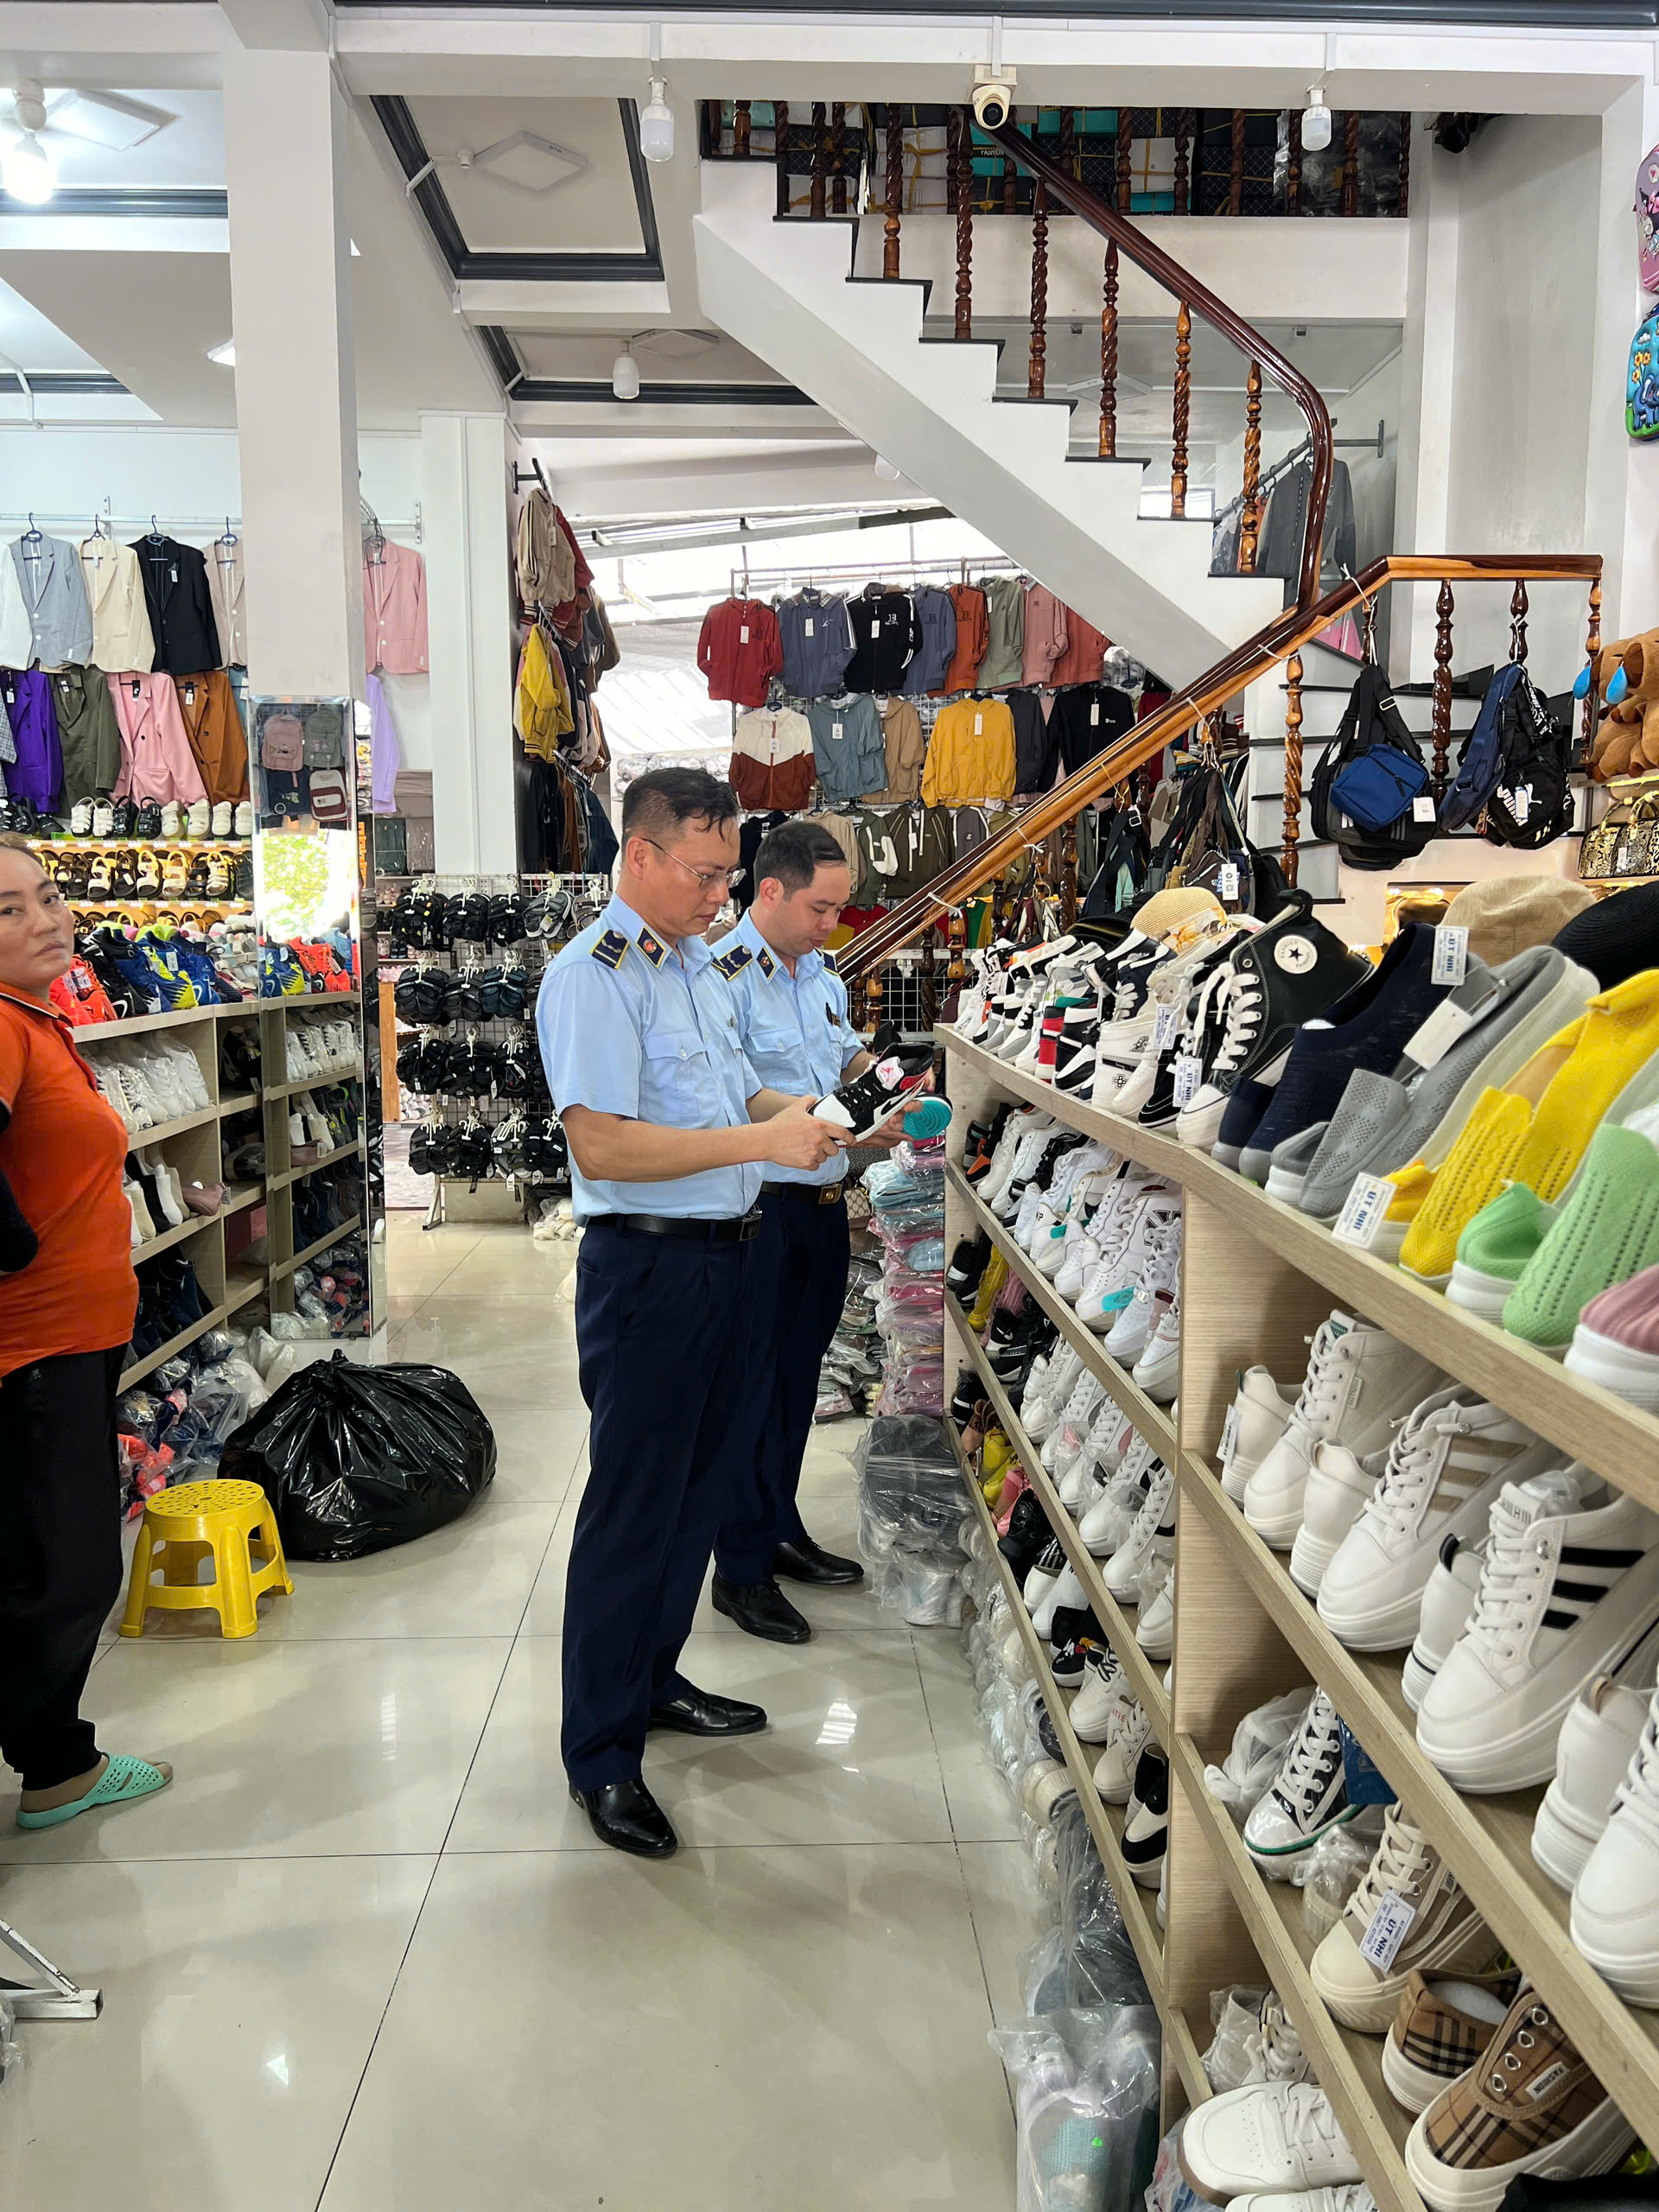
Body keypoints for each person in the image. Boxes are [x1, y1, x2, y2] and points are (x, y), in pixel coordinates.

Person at [536, 768, 847, 1859]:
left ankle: (653, 1679)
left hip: (731, 1260)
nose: (722, 896)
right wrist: (761, 1141)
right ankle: (600, 1753)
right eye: (707, 875)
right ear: (641, 855)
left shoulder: (696, 967)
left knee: (696, 1495)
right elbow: (603, 1144)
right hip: (650, 1271)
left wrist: (808, 1114)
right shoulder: (594, 977)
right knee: (634, 1510)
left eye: (728, 876)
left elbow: (733, 1095)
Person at [0, 834, 171, 1830]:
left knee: (50, 1564)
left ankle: (57, 1761)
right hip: (33, 1348)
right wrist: (18, 1250)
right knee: (69, 1573)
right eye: (9, 909)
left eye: (48, 895)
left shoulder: (35, 1018)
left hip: (68, 1337)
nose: (46, 918)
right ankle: (54, 1761)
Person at [707, 820, 874, 1643]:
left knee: (798, 1384)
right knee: (750, 1389)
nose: (831, 925)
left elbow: (844, 1056)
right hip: (760, 1211)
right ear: (769, 890)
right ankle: (738, 1570)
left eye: (839, 910)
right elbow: (735, 1095)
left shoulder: (820, 973)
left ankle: (778, 1525)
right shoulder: (721, 978)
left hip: (822, 1206)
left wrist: (884, 1085)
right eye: (820, 909)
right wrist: (819, 1117)